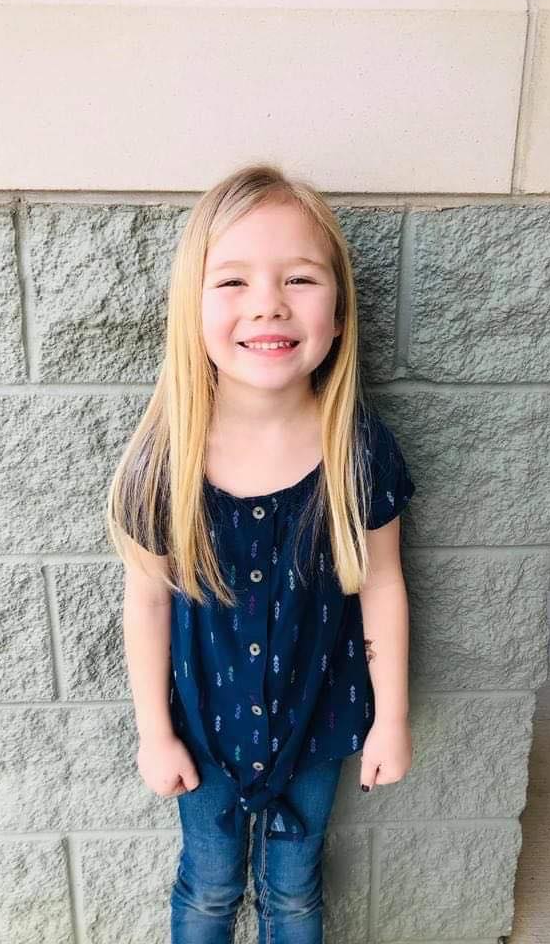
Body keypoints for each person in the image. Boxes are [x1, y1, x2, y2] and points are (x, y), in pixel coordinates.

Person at [106, 161, 417, 944]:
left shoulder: (357, 449)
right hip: (201, 736)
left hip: (320, 724)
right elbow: (145, 600)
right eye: (234, 282)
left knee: (294, 893)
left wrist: (392, 719)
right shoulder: (166, 458)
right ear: (193, 309)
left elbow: (382, 586)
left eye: (300, 279)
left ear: (339, 310)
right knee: (209, 890)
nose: (269, 304)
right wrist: (154, 731)